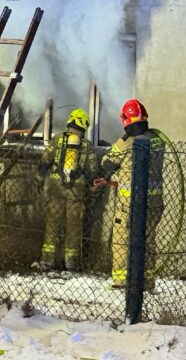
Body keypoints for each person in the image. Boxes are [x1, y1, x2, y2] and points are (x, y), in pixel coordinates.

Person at [96, 99, 167, 290]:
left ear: (126, 120)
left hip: (129, 204)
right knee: (147, 241)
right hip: (153, 203)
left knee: (120, 240)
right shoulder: (157, 139)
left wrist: (122, 140)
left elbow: (107, 162)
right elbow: (135, 168)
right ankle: (146, 281)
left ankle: (121, 280)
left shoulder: (127, 142)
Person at [33, 109, 97, 272]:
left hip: (55, 187)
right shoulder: (87, 145)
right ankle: (71, 263)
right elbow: (93, 170)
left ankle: (47, 261)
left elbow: (45, 162)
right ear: (83, 125)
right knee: (74, 227)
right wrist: (92, 189)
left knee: (52, 223)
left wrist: (38, 181)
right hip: (77, 190)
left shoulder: (57, 139)